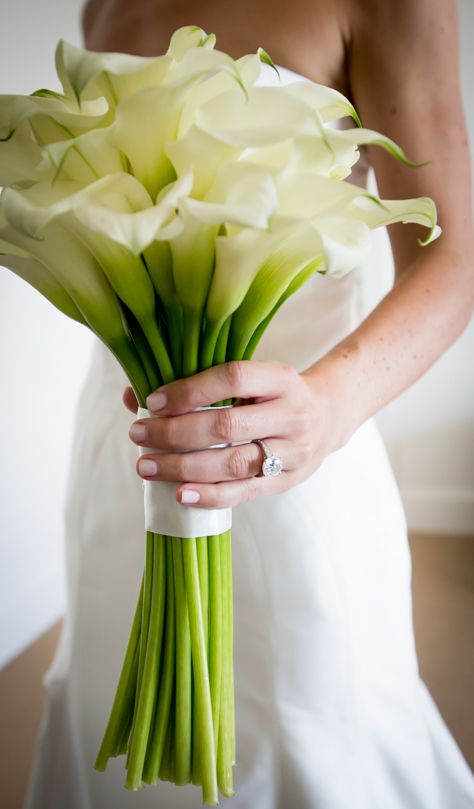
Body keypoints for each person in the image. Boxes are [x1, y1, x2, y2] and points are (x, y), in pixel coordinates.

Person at [25, 1, 474, 808]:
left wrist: (327, 408)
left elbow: (454, 261)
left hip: (296, 453)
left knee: (308, 724)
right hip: (124, 440)